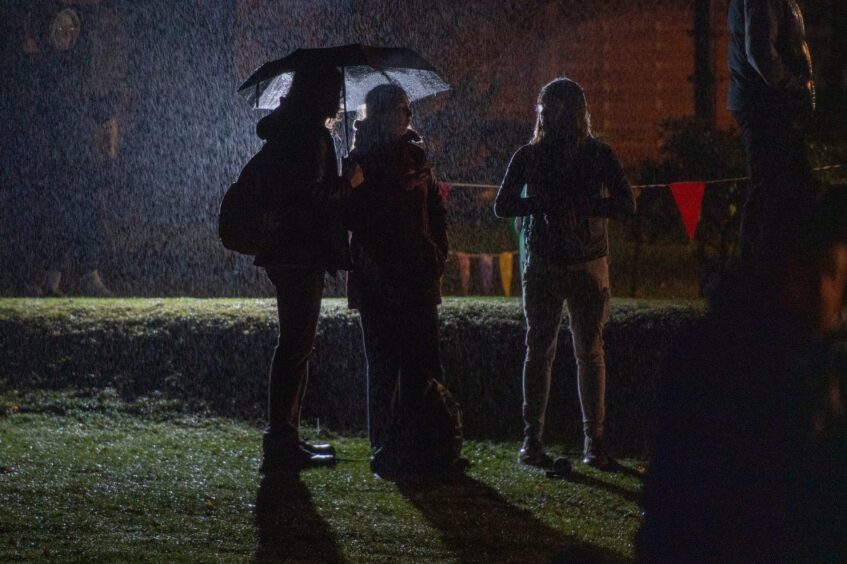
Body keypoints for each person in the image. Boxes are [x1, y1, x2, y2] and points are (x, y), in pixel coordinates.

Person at [636, 187, 847, 562]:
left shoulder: (828, 362)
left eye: (832, 274)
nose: (820, 293)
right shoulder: (714, 355)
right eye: (806, 274)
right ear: (777, 272)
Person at [494, 78, 635, 471]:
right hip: (544, 262)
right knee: (541, 351)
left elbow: (626, 204)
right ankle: (534, 440)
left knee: (586, 353)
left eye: (559, 107)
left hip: (588, 262)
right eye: (546, 108)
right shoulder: (529, 155)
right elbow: (502, 205)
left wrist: (586, 205)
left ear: (576, 111)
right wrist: (543, 205)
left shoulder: (599, 155)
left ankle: (593, 441)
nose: (551, 115)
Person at [253, 66, 363, 472]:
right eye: (333, 90)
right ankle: (281, 441)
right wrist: (348, 182)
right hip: (300, 253)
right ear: (317, 93)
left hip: (287, 251)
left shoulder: (291, 130)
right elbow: (309, 199)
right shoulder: (311, 136)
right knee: (295, 346)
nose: (338, 98)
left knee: (294, 345)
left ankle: (285, 437)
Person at [344, 84, 452, 475]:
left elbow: (436, 209)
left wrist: (438, 251)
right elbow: (355, 220)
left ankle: (430, 444)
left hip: (420, 274)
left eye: (408, 109)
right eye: (401, 109)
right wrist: (353, 184)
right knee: (384, 366)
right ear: (381, 114)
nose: (408, 115)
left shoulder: (416, 155)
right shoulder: (361, 161)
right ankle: (385, 448)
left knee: (424, 363)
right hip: (379, 279)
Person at [18, 1, 129, 297]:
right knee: (55, 215)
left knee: (87, 213)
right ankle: (51, 278)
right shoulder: (39, 73)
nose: (66, 35)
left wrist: (108, 134)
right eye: (60, 30)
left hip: (80, 156)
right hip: (53, 158)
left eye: (70, 30)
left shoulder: (79, 72)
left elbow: (95, 108)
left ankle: (88, 273)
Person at [727, 0, 817, 270]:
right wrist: (791, 86)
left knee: (787, 187)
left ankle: (778, 272)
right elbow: (759, 51)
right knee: (770, 189)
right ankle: (756, 276)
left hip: (771, 102)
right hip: (765, 103)